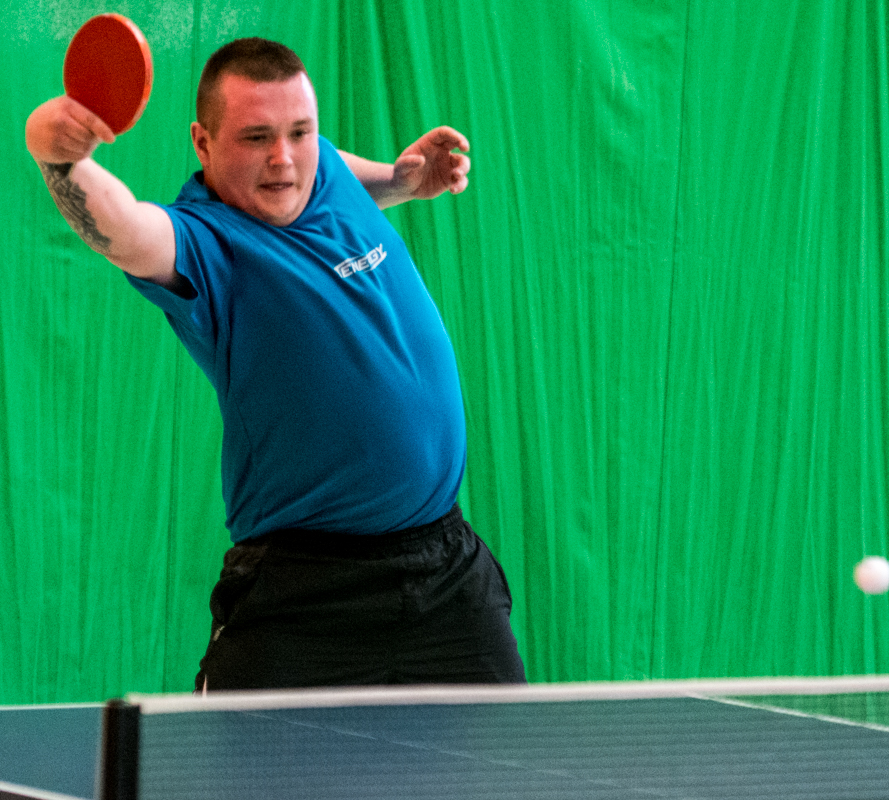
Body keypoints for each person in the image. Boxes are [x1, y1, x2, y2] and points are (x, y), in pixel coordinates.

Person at [24, 37, 525, 690]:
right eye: (256, 137)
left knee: (508, 751)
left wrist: (400, 181)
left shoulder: (321, 173)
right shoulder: (208, 245)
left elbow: (333, 164)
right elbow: (122, 228)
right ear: (203, 144)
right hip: (305, 594)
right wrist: (54, 154)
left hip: (446, 571)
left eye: (299, 132)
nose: (284, 159)